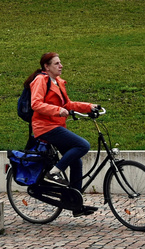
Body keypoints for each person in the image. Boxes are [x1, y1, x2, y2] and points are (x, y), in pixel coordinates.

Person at [25, 52, 105, 216]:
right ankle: (53, 173)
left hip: (56, 125)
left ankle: (75, 204)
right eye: (56, 63)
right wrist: (58, 110)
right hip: (45, 126)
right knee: (83, 145)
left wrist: (89, 106)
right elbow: (36, 104)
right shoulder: (41, 80)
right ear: (46, 67)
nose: (61, 66)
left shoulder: (58, 82)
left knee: (76, 161)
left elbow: (68, 104)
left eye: (60, 63)